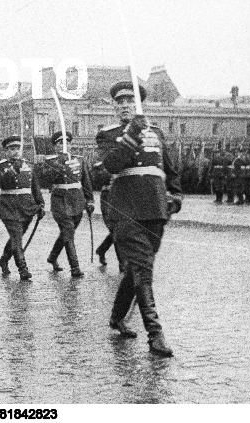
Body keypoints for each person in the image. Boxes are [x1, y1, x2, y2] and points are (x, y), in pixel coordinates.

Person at [97, 81, 182, 358]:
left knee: (136, 268)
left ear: (139, 105)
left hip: (155, 209)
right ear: (114, 107)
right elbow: (110, 165)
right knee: (143, 270)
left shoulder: (156, 132)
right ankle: (155, 335)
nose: (124, 106)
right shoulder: (108, 134)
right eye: (119, 103)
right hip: (125, 210)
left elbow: (168, 167)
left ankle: (117, 316)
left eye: (130, 102)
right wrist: (132, 132)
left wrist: (176, 195)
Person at [38, 131, 94, 278]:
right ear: (55, 146)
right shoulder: (50, 161)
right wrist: (60, 165)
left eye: (67, 143)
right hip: (60, 201)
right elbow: (45, 178)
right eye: (60, 143)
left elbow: (86, 181)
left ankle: (53, 256)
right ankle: (75, 267)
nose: (64, 146)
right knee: (68, 230)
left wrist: (90, 200)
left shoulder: (79, 160)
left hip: (77, 201)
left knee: (67, 233)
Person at [0, 136, 44, 281]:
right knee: (16, 237)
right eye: (12, 149)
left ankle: (4, 259)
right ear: (6, 151)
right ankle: (23, 269)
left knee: (17, 238)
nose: (15, 151)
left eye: (17, 148)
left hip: (27, 207)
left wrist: (41, 204)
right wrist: (12, 170)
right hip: (8, 207)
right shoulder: (0, 166)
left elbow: (35, 187)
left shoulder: (28, 164)